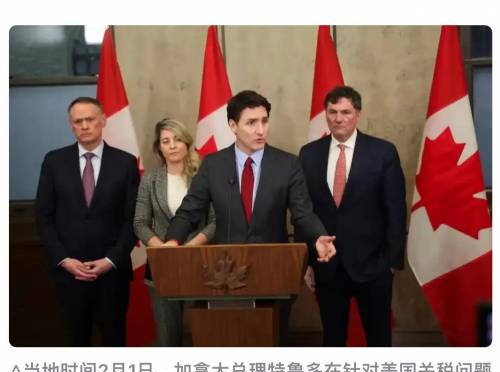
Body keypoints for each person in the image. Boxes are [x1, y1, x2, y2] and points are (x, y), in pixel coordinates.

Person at [165, 90, 336, 344]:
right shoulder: (213, 165)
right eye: (251, 123)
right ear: (233, 126)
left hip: (274, 273)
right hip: (224, 276)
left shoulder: (287, 164)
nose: (260, 130)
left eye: (264, 121)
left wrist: (318, 236)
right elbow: (189, 211)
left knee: (271, 343)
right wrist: (172, 242)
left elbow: (303, 213)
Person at [298, 86, 406, 347]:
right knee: (333, 340)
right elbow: (304, 211)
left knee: (379, 340)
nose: (338, 119)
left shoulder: (383, 152)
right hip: (328, 265)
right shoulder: (309, 154)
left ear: (358, 113)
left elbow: (395, 209)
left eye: (345, 112)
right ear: (325, 114)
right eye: (332, 112)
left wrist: (391, 263)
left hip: (374, 265)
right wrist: (307, 261)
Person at [35, 96, 139, 346]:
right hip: (68, 274)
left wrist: (110, 260)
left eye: (90, 119)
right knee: (76, 342)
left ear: (103, 120)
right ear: (71, 125)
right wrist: (64, 260)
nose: (84, 126)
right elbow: (43, 217)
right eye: (77, 121)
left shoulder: (125, 163)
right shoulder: (54, 161)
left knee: (114, 341)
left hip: (112, 274)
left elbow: (133, 219)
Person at [134, 118, 215, 346]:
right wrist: (164, 250)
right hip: (162, 266)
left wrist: (187, 248)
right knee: (167, 337)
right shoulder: (150, 180)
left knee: (205, 335)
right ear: (158, 147)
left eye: (177, 139)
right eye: (165, 141)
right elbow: (140, 223)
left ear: (186, 143)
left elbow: (214, 222)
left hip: (201, 263)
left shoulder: (204, 177)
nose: (172, 145)